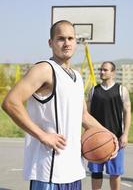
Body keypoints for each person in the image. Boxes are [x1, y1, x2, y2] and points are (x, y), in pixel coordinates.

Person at [2, 21, 117, 190]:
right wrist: (42, 135)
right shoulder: (44, 69)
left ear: (76, 42)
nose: (67, 43)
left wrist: (108, 135)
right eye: (60, 38)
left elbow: (83, 116)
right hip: (49, 169)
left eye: (70, 38)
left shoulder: (77, 77)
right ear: (51, 42)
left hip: (73, 169)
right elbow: (10, 102)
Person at [87, 61, 131, 190]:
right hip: (96, 139)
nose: (101, 72)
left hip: (116, 139)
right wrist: (85, 134)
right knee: (95, 173)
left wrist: (125, 134)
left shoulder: (121, 90)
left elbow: (128, 113)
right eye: (101, 69)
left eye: (105, 70)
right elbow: (87, 115)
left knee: (115, 173)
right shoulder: (93, 90)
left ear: (113, 72)